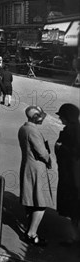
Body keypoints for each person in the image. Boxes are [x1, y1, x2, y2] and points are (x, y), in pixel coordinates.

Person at [18, 106, 53, 246]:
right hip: (36, 168)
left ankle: (30, 229)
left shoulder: (23, 128)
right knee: (40, 203)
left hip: (27, 165)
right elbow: (42, 152)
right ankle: (31, 234)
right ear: (36, 117)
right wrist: (49, 160)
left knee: (32, 200)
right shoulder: (33, 131)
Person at [54, 103, 80, 246]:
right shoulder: (75, 129)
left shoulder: (71, 132)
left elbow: (74, 154)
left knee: (73, 207)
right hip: (73, 175)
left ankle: (74, 238)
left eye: (62, 117)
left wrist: (60, 147)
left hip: (72, 177)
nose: (60, 119)